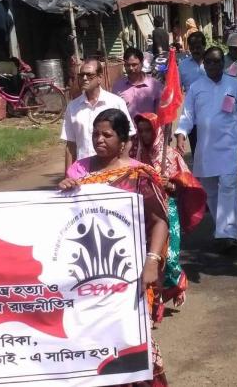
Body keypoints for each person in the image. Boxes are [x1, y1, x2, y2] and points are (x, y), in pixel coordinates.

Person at [58, 109, 170, 386]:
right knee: (86, 343)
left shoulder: (139, 174)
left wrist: (152, 261)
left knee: (129, 341)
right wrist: (64, 190)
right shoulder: (80, 171)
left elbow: (159, 221)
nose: (99, 139)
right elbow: (62, 219)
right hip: (83, 275)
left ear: (123, 141)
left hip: (127, 274)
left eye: (107, 135)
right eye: (96, 134)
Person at [175, 47, 237, 253]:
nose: (212, 65)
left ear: (222, 64)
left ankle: (228, 235)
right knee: (210, 192)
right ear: (204, 64)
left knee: (228, 188)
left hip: (230, 148)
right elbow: (187, 115)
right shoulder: (196, 87)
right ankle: (223, 228)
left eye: (217, 62)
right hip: (206, 149)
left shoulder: (234, 85)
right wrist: (181, 133)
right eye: (208, 61)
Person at [131, 113, 206, 316]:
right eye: (141, 130)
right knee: (149, 257)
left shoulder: (171, 155)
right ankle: (156, 304)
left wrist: (170, 184)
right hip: (142, 213)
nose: (145, 135)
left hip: (167, 209)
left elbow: (187, 185)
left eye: (149, 130)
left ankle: (178, 282)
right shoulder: (133, 155)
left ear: (156, 131)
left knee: (169, 257)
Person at [61, 59, 134, 170]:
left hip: (112, 170)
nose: (84, 78)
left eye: (89, 75)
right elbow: (70, 145)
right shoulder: (73, 107)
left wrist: (123, 165)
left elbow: (127, 138)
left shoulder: (116, 103)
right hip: (83, 171)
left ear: (100, 77)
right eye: (81, 75)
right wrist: (68, 174)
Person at [112, 47, 163, 118]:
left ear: (141, 64)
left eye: (134, 65)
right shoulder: (118, 86)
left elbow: (162, 112)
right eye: (127, 65)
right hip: (126, 128)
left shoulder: (155, 85)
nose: (131, 68)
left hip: (149, 128)